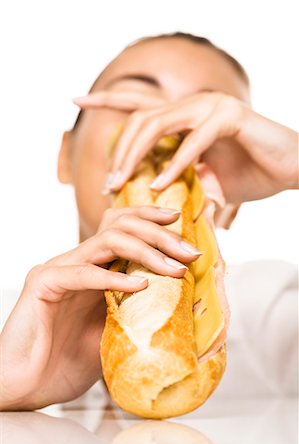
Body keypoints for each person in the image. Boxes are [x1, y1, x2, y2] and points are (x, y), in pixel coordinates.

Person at [0, 33, 298, 411]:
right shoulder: (7, 325)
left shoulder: (272, 314)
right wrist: (6, 390)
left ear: (232, 205)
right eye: (133, 104)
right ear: (65, 157)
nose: (163, 129)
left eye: (204, 115)